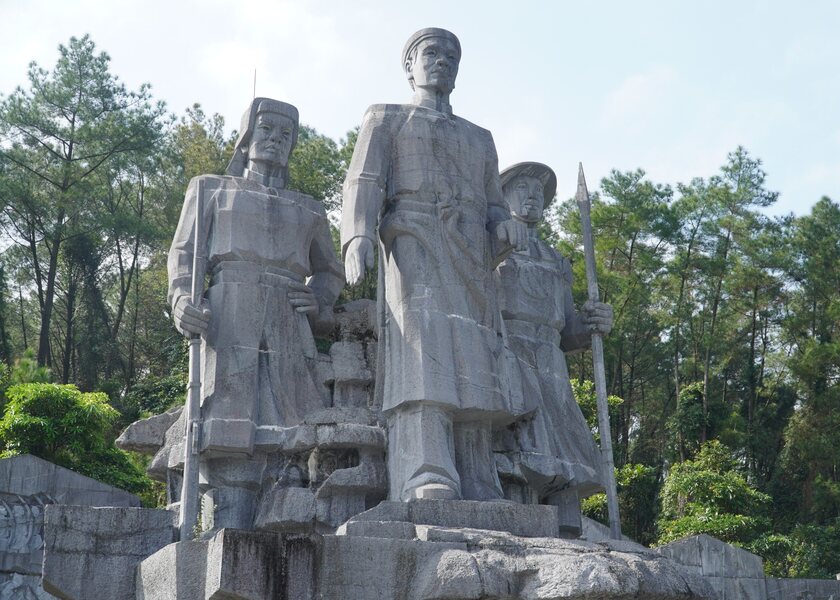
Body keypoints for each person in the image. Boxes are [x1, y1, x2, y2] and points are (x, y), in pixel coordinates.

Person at [341, 28, 527, 502]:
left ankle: (477, 472)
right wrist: (358, 235)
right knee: (423, 350)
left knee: (474, 355)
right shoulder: (386, 118)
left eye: (451, 55)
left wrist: (503, 225)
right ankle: (424, 469)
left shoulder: (479, 138)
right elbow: (363, 180)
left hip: (471, 254)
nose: (441, 61)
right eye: (431, 52)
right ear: (410, 65)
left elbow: (493, 205)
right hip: (414, 237)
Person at [168, 97, 344, 530]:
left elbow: (330, 271)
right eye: (266, 130)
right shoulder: (210, 187)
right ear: (247, 138)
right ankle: (225, 521)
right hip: (230, 308)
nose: (276, 141)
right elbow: (185, 253)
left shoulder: (310, 208)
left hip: (288, 311)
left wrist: (318, 299)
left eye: (286, 135)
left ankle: (292, 507)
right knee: (227, 417)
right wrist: (180, 301)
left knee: (296, 421)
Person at [494, 162, 613, 535]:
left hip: (550, 358)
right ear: (503, 195)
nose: (532, 197)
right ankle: (515, 513)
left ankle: (566, 523)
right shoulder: (492, 250)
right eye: (522, 187)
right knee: (517, 438)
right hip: (508, 347)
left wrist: (592, 323)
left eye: (539, 192)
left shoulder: (556, 260)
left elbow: (568, 329)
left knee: (565, 442)